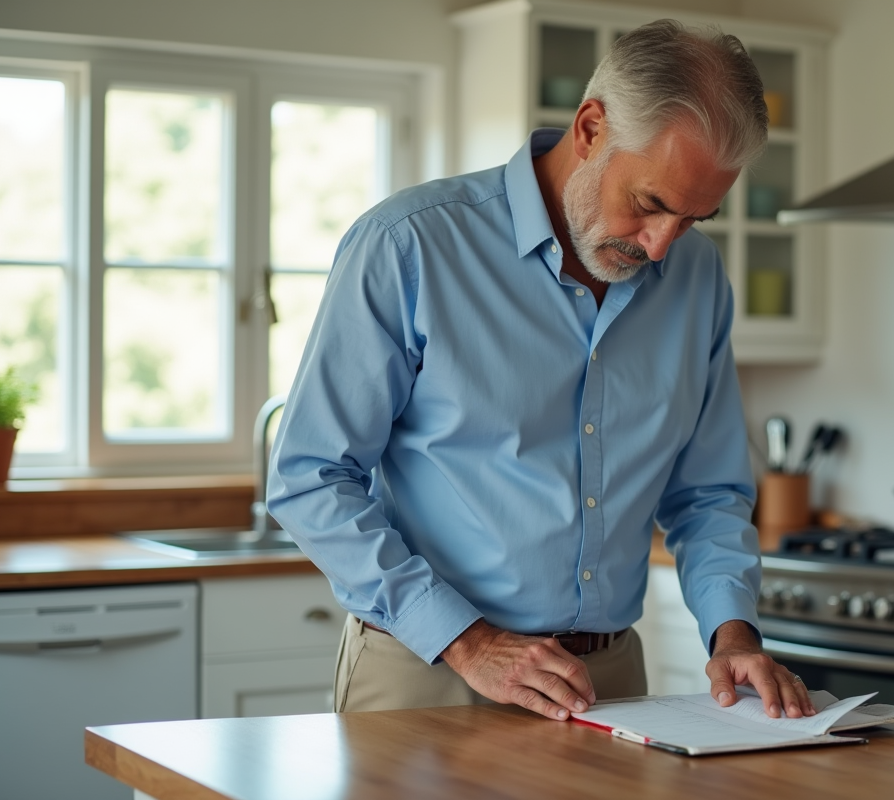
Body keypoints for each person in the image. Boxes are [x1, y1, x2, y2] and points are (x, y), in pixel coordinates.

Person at [267, 19, 816, 723]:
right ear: (590, 127)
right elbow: (311, 475)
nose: (660, 246)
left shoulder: (697, 278)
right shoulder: (409, 247)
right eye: (651, 204)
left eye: (695, 218)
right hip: (429, 674)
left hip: (609, 681)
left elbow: (707, 494)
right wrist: (467, 642)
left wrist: (732, 631)